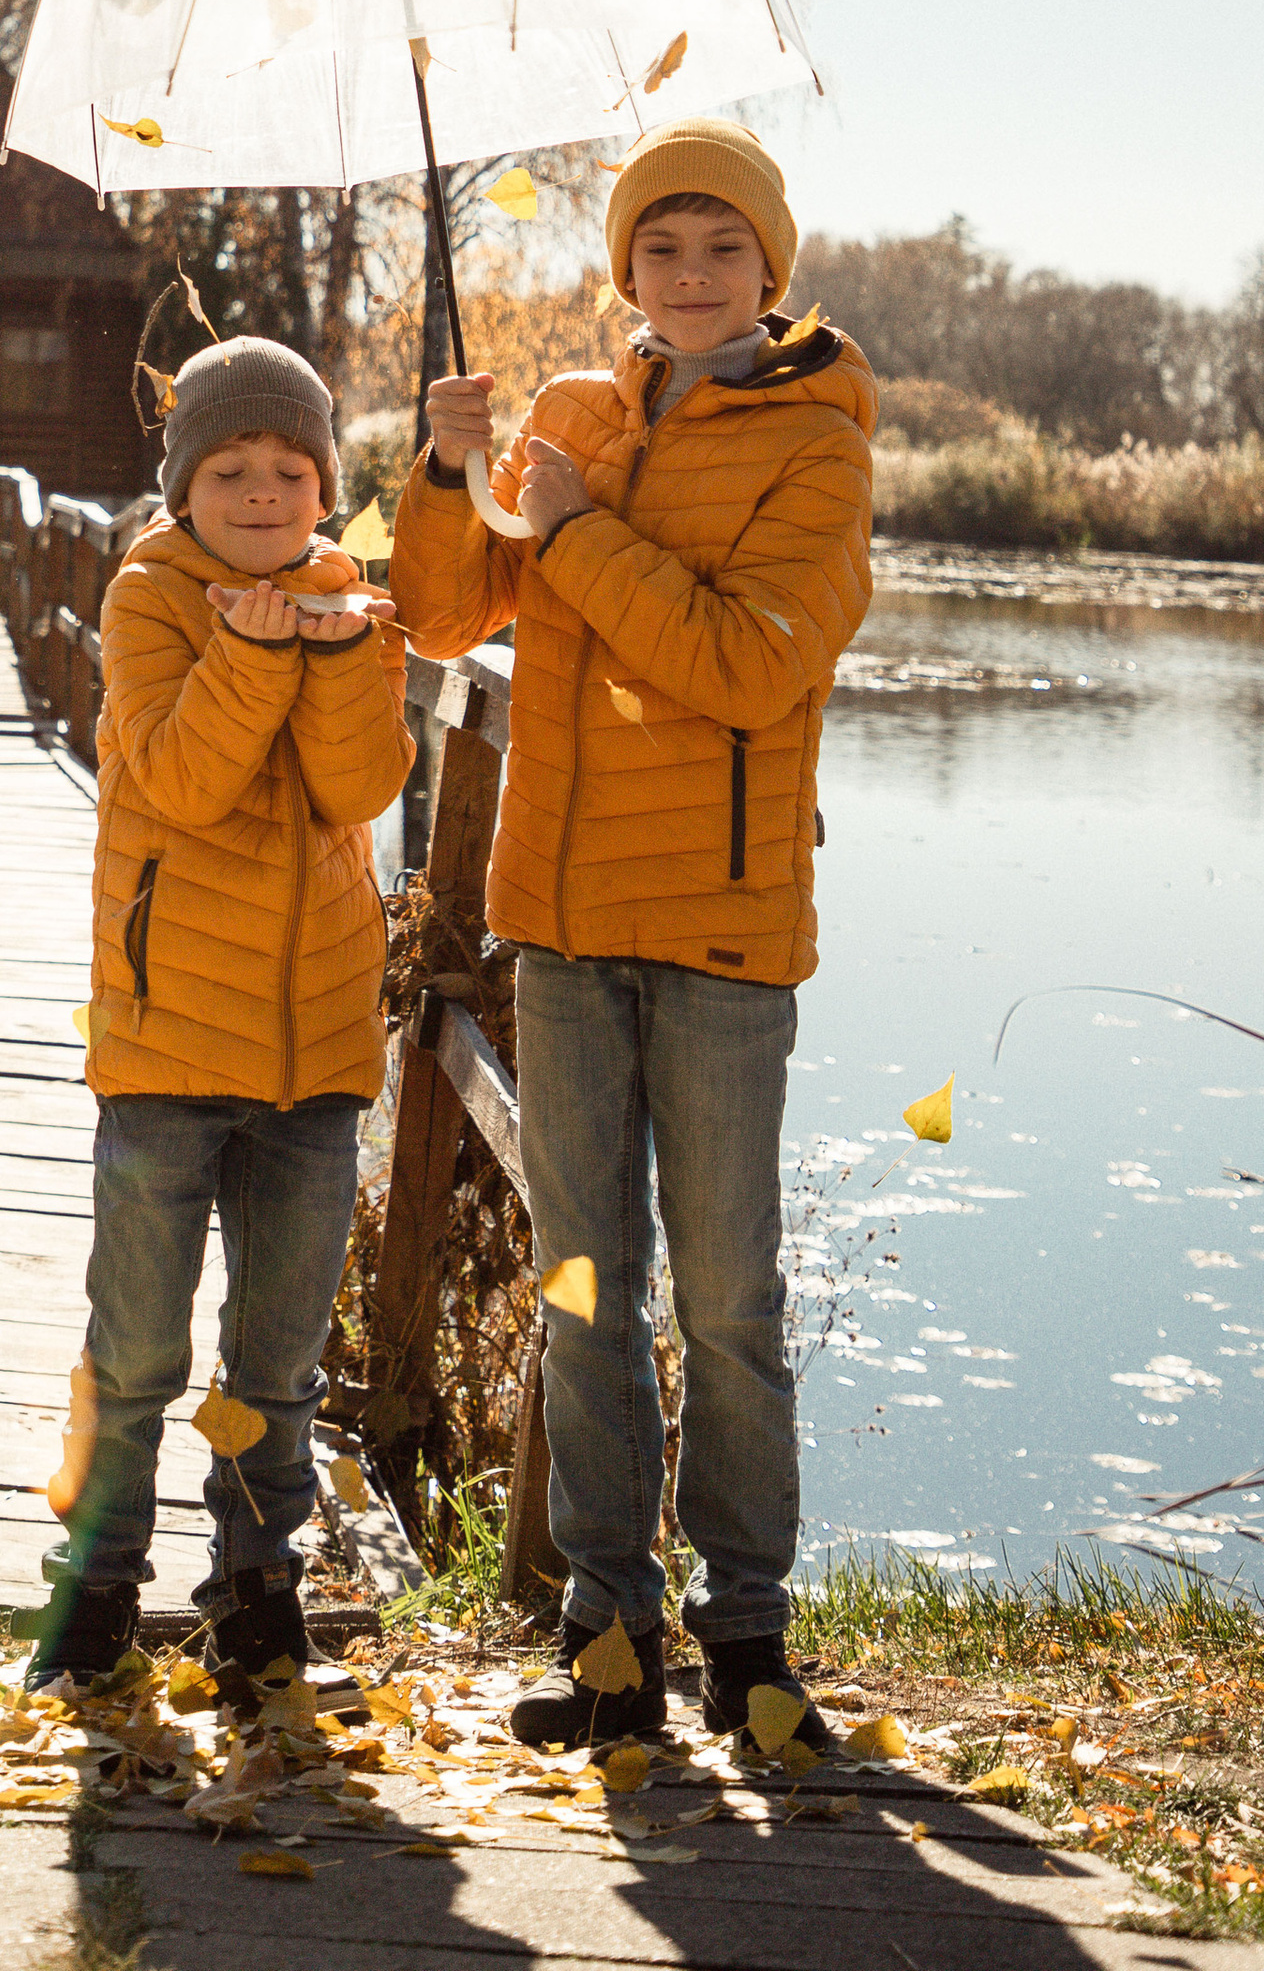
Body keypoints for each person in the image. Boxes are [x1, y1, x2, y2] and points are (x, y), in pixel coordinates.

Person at [388, 119, 874, 1755]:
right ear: (625, 270)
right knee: (585, 1286)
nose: (688, 275)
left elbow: (749, 667)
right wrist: (451, 470)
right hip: (564, 925)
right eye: (658, 249)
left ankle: (748, 1632)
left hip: (726, 936)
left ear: (770, 269)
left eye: (720, 248)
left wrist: (580, 526)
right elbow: (452, 619)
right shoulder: (566, 418)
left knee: (728, 1294)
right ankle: (608, 1630)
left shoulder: (822, 439)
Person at [27, 334, 414, 1692]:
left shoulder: (355, 602)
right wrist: (253, 657)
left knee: (278, 1353)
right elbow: (181, 782)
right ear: (186, 487)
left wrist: (335, 652)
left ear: (324, 485)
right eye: (233, 469)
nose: (263, 492)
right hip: (168, 1037)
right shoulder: (149, 600)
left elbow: (362, 786)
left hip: (316, 1053)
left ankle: (256, 1585)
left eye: (292, 469)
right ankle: (94, 1588)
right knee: (136, 1343)